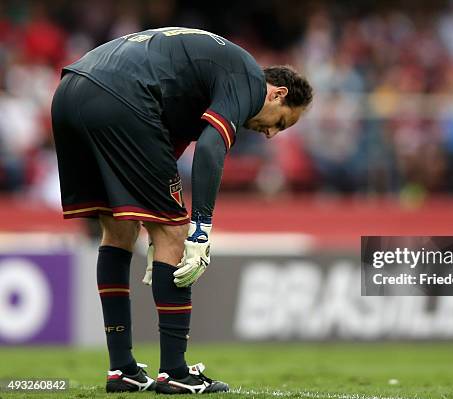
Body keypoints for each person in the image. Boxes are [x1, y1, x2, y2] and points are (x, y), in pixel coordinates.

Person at [51, 27, 313, 394]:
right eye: (281, 122)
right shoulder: (250, 80)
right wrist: (200, 227)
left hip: (69, 92)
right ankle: (175, 371)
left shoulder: (202, 80)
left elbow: (164, 146)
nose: (271, 135)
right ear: (277, 93)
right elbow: (210, 148)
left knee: (119, 229)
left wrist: (154, 217)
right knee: (175, 231)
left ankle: (122, 369)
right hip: (122, 97)